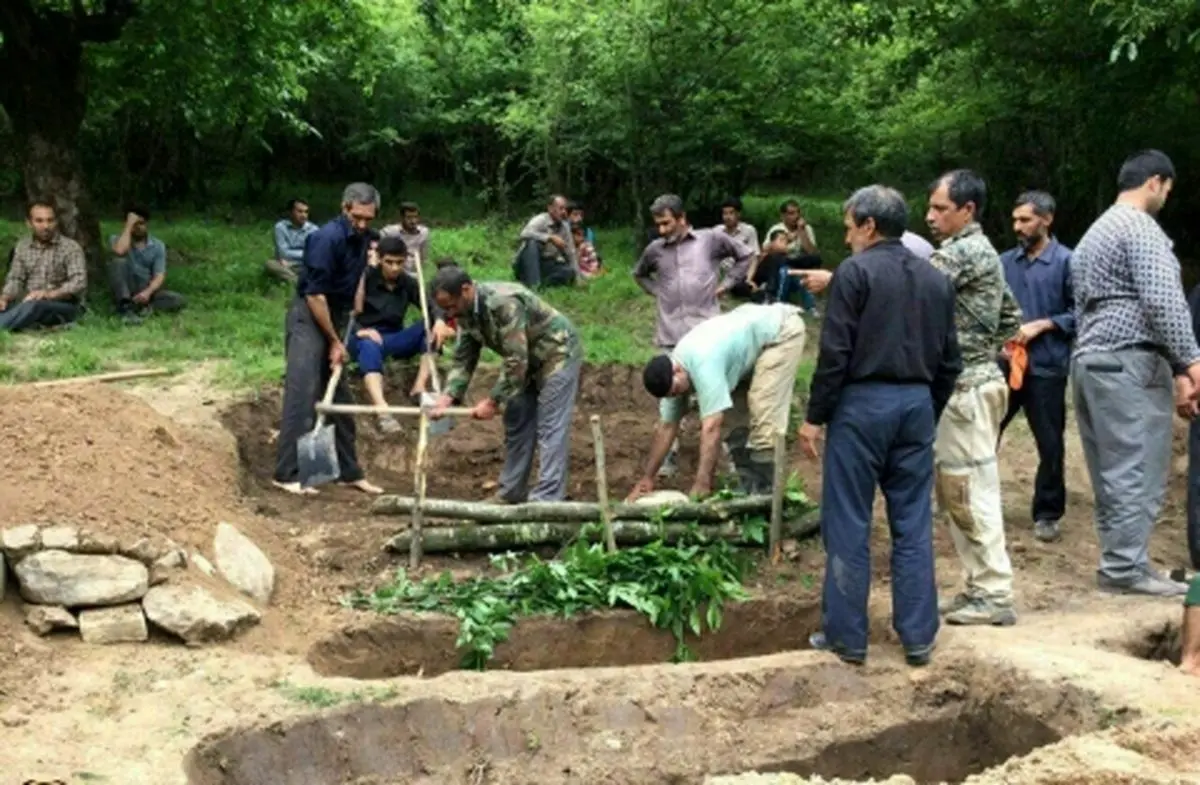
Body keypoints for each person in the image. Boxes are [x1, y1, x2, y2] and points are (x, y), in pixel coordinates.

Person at [800, 185, 962, 667]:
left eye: (849, 228)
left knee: (848, 519)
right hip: (915, 404)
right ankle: (918, 637)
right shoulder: (937, 280)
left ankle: (846, 636)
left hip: (861, 406)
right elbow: (950, 362)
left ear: (869, 226)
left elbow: (835, 355)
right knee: (913, 523)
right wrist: (925, 409)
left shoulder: (854, 274)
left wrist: (814, 417)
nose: (847, 237)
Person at [1072, 149, 1200, 597]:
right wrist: (1190, 360)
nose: (1166, 196)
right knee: (1137, 466)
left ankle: (1120, 561)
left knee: (1110, 469)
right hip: (1130, 362)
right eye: (1167, 189)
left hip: (1089, 361)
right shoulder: (1141, 229)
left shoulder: (1095, 233)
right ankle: (1126, 569)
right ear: (1156, 182)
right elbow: (1164, 300)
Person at [926, 169, 1023, 627]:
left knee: (967, 491)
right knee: (959, 489)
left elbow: (907, 287)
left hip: (965, 391)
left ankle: (992, 591)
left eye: (941, 208)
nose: (930, 216)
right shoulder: (984, 254)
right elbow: (1010, 317)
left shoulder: (964, 252)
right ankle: (978, 585)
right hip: (977, 384)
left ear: (968, 210)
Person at [430, 267, 583, 503]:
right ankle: (512, 491)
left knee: (550, 424)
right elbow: (464, 356)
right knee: (517, 417)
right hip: (526, 360)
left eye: (451, 305)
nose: (449, 313)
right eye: (445, 308)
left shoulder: (503, 303)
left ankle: (549, 497)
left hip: (557, 352)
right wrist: (448, 395)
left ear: (466, 290)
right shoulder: (465, 312)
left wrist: (493, 400)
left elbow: (515, 359)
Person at [627, 302, 807, 500]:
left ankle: (768, 494)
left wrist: (702, 484)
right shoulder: (672, 381)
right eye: (671, 395)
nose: (676, 396)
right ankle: (749, 487)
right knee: (735, 420)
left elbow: (711, 427)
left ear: (677, 370)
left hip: (780, 333)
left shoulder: (703, 363)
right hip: (745, 342)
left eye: (676, 391)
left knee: (762, 409)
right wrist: (647, 478)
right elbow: (667, 427)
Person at [272, 182, 386, 497]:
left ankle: (347, 471)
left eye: (368, 218)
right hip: (310, 314)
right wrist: (335, 342)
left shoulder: (367, 240)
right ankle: (287, 472)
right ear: (344, 207)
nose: (362, 224)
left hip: (336, 313)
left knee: (340, 399)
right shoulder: (325, 239)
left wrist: (350, 320)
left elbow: (358, 294)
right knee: (304, 390)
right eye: (357, 217)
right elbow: (315, 295)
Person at [633, 193, 756, 479]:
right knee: (670, 400)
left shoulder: (710, 240)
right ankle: (668, 458)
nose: (662, 230)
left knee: (719, 399)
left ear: (681, 218)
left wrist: (726, 285)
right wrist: (658, 292)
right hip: (672, 335)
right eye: (658, 225)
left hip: (708, 336)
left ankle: (732, 458)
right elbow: (639, 274)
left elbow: (746, 255)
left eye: (666, 223)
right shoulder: (655, 250)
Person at [997, 191, 1075, 544]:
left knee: (1049, 442)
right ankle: (975, 502)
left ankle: (1047, 512)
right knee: (984, 434)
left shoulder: (1068, 262)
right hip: (1004, 364)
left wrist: (1044, 324)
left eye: (1025, 220)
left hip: (1046, 366)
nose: (1018, 227)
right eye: (1015, 220)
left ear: (1047, 220)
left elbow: (1083, 313)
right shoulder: (1005, 262)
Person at [350, 234, 456, 435]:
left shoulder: (407, 282)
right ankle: (383, 411)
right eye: (389, 262)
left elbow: (430, 305)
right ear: (379, 259)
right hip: (365, 338)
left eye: (399, 262)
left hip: (395, 338)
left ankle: (419, 388)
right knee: (368, 345)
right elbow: (344, 311)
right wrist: (359, 330)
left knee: (429, 327)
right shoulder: (364, 278)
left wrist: (440, 321)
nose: (395, 267)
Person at [0, 200, 87, 332]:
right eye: (39, 221)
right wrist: (5, 297)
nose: (46, 226)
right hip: (27, 303)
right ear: (29, 223)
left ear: (56, 222)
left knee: (36, 306)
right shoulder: (23, 247)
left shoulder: (70, 247)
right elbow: (16, 279)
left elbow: (79, 283)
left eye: (50, 220)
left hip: (63, 305)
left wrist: (48, 294)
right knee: (10, 305)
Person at [110, 206, 186, 324]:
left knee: (177, 299)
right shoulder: (117, 239)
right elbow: (120, 251)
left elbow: (159, 275)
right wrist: (129, 225)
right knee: (118, 262)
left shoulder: (157, 245)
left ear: (147, 224)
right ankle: (125, 307)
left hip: (147, 289)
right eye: (135, 224)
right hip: (128, 286)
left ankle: (145, 308)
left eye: (141, 223)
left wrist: (147, 292)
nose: (139, 227)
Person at [759, 198, 821, 311]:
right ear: (783, 216)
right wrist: (786, 240)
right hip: (779, 262)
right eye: (791, 213)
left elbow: (811, 251)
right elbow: (766, 249)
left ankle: (810, 295)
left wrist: (801, 232)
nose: (796, 216)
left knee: (815, 258)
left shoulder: (806, 229)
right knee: (777, 258)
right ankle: (770, 293)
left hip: (797, 262)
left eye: (798, 212)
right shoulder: (777, 228)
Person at [514, 195, 577, 288]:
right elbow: (524, 233)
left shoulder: (565, 227)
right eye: (561, 208)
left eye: (565, 209)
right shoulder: (541, 219)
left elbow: (570, 252)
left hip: (546, 263)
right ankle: (534, 284)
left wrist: (577, 277)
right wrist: (549, 238)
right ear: (550, 208)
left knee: (569, 272)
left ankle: (540, 284)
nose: (564, 212)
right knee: (532, 243)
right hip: (527, 262)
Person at [266, 198, 318, 283]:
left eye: (306, 212)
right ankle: (298, 282)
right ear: (290, 212)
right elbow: (283, 253)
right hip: (286, 264)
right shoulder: (281, 227)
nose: (304, 215)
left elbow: (315, 254)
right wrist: (306, 253)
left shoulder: (313, 229)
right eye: (300, 211)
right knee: (270, 264)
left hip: (306, 264)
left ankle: (293, 279)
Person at [380, 201, 431, 274]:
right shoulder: (390, 232)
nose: (413, 221)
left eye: (415, 217)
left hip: (414, 272)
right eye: (409, 217)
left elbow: (423, 256)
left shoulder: (424, 232)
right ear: (401, 218)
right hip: (395, 271)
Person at [714, 197, 760, 274]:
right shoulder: (717, 231)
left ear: (738, 214)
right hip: (719, 272)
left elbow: (754, 258)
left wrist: (748, 279)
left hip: (741, 272)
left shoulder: (749, 230)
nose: (727, 217)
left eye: (731, 213)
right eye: (725, 213)